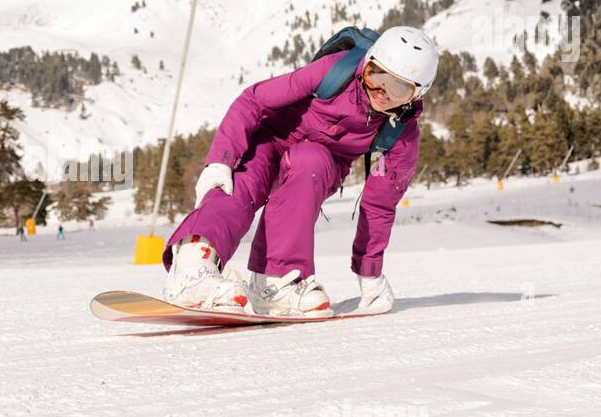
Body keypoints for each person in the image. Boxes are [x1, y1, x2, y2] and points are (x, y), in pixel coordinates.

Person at [162, 25, 439, 317]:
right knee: (239, 187)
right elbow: (253, 99)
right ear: (366, 63)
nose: (382, 92)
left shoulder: (401, 135)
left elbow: (379, 205)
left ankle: (276, 284)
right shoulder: (336, 71)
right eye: (376, 76)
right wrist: (220, 160)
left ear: (417, 93)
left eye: (397, 88)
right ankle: (192, 271)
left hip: (318, 167)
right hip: (269, 141)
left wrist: (369, 271)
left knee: (310, 160)